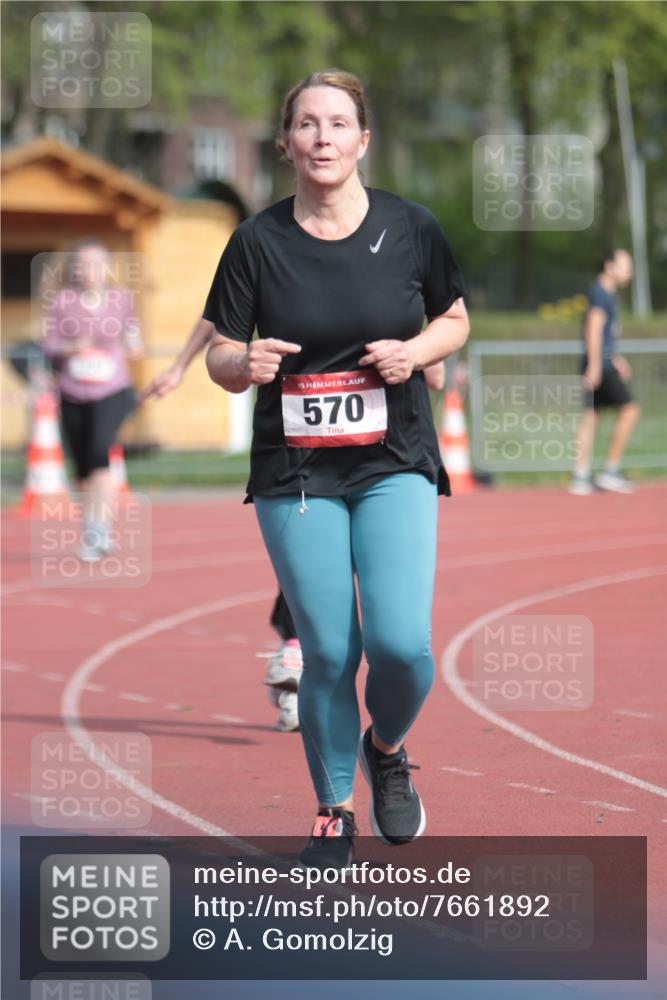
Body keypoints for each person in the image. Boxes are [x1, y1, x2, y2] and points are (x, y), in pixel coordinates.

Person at [204, 69, 469, 869]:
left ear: (362, 141)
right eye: (307, 125)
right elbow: (217, 350)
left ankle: (384, 745)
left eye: (337, 124)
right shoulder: (257, 241)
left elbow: (452, 319)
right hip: (296, 473)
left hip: (393, 460)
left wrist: (414, 351)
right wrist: (239, 362)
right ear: (286, 142)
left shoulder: (410, 228)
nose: (322, 138)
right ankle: (331, 805)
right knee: (327, 652)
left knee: (400, 647)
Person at [142, 317, 444, 734]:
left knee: (381, 589)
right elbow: (218, 318)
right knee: (319, 561)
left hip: (381, 450)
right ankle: (295, 645)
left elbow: (438, 329)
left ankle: (372, 727)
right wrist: (181, 365)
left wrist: (422, 352)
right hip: (301, 446)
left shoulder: (394, 257)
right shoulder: (269, 254)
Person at [41, 240, 141, 559]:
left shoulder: (121, 300)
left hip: (112, 388)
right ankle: (90, 528)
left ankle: (100, 531)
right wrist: (71, 347)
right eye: (82, 265)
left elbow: (132, 332)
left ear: (106, 268)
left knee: (100, 451)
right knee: (83, 466)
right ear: (75, 270)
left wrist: (133, 343)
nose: (89, 271)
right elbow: (48, 343)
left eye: (95, 264)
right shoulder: (62, 301)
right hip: (73, 390)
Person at [569, 249, 640, 495]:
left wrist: (616, 358)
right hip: (600, 365)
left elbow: (606, 335)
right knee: (630, 410)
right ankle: (609, 470)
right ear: (609, 266)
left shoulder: (608, 294)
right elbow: (593, 329)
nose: (629, 272)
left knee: (591, 416)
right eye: (625, 266)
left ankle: (580, 475)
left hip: (605, 361)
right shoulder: (600, 293)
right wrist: (597, 365)